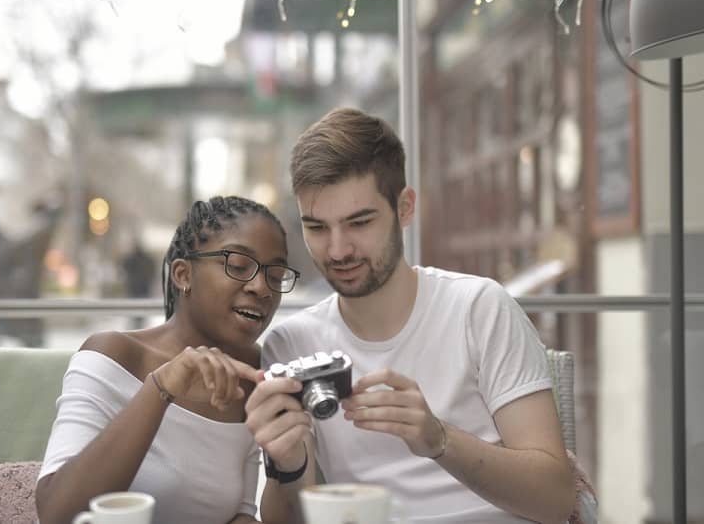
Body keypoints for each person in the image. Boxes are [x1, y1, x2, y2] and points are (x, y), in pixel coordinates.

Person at [244, 108, 575, 523]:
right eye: (317, 228)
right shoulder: (291, 345)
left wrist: (438, 439)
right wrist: (286, 465)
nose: (338, 250)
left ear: (404, 208)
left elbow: (556, 500)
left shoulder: (479, 308)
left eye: (359, 222)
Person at [36, 196, 301, 524]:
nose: (262, 288)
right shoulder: (114, 355)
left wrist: (293, 460)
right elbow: (54, 513)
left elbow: (238, 514)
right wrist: (160, 389)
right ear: (182, 274)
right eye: (238, 264)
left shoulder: (253, 380)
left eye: (275, 274)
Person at [121, 240, 158, 328]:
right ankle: (139, 326)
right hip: (142, 288)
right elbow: (152, 270)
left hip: (135, 288)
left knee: (135, 311)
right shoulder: (147, 259)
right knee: (141, 311)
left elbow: (124, 267)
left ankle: (137, 326)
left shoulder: (131, 259)